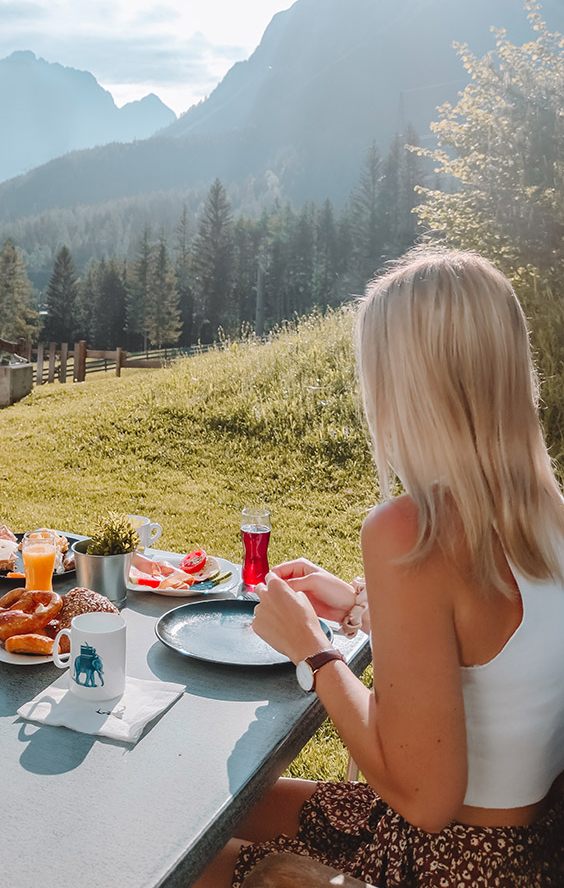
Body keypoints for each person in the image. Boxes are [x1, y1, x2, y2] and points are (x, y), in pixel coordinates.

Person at [196, 248, 564, 888]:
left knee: (182, 858)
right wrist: (366, 606)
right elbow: (493, 647)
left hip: (442, 861)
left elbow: (424, 799)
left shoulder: (409, 533)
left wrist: (313, 652)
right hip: (524, 853)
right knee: (205, 805)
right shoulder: (547, 513)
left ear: (409, 382)